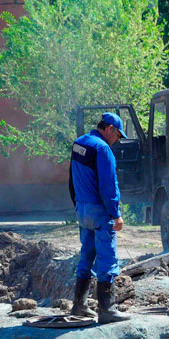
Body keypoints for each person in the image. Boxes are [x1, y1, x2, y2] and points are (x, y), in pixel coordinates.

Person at [69, 112, 131, 323]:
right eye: (117, 135)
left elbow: (71, 179)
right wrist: (116, 214)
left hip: (82, 209)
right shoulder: (103, 149)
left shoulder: (80, 143)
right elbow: (108, 186)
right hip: (99, 211)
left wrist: (78, 204)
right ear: (110, 129)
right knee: (107, 259)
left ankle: (79, 306)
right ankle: (107, 309)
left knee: (86, 255)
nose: (117, 140)